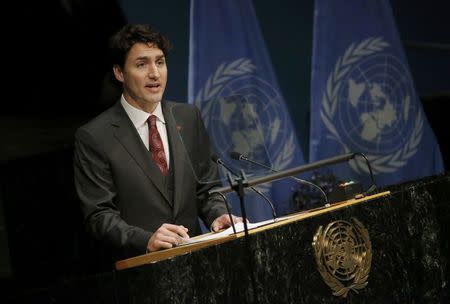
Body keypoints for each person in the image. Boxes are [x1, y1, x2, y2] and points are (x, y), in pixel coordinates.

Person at [73, 23, 240, 260]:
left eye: (160, 62)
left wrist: (217, 215)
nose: (155, 73)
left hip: (198, 264)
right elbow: (99, 216)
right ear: (119, 73)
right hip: (139, 272)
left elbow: (207, 188)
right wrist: (146, 240)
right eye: (142, 64)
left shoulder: (188, 117)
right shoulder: (94, 137)